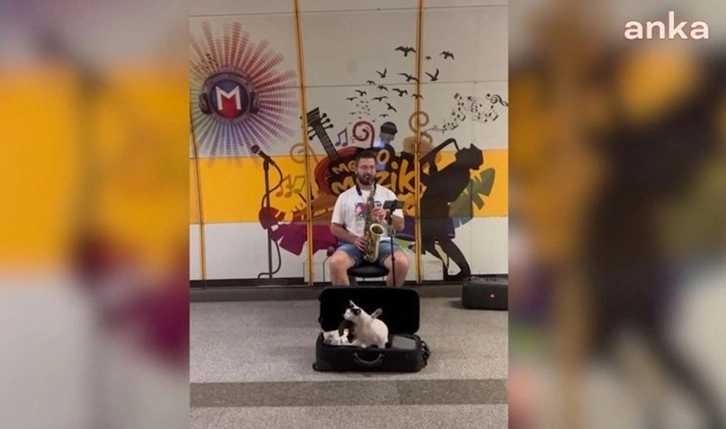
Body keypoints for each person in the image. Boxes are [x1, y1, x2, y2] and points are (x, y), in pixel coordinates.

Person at [329, 149, 409, 286]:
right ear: (356, 170)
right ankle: (348, 299)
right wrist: (353, 239)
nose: (369, 171)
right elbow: (334, 227)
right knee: (335, 263)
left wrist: (387, 215)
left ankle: (389, 298)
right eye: (364, 167)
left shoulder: (388, 194)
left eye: (372, 167)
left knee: (402, 263)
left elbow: (400, 225)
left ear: (376, 170)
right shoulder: (344, 197)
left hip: (382, 243)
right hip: (354, 244)